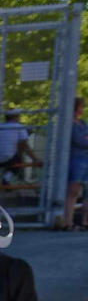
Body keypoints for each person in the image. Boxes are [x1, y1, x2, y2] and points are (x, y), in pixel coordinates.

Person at [0, 112, 41, 186]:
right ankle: (6, 179)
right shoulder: (19, 127)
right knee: (17, 160)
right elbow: (24, 146)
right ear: (16, 117)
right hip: (5, 158)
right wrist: (35, 159)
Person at [63, 96, 87, 232]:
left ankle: (85, 221)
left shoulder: (83, 123)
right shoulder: (69, 124)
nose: (81, 110)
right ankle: (68, 222)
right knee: (73, 191)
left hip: (86, 160)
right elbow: (80, 141)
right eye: (80, 107)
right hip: (76, 161)